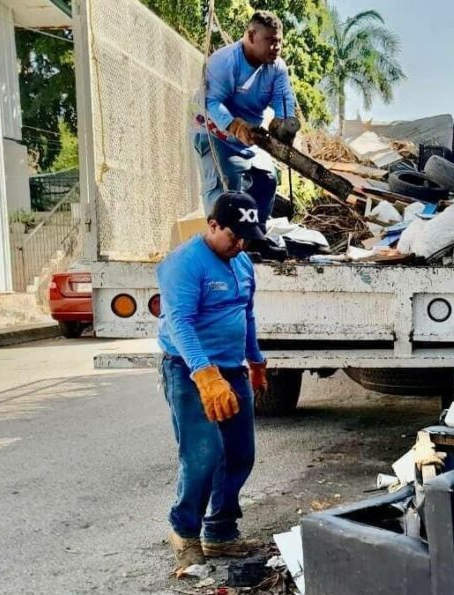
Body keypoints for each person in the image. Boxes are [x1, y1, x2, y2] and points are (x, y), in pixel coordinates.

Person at [156, 191, 269, 571]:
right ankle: (184, 530)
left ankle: (219, 531)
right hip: (190, 371)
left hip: (233, 370)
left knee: (240, 454)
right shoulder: (185, 264)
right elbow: (180, 323)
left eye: (245, 238)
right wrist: (204, 374)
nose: (239, 244)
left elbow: (247, 314)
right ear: (213, 225)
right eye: (232, 235)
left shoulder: (243, 263)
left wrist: (255, 361)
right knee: (203, 455)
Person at [191, 10, 297, 226]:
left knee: (267, 179)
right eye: (269, 41)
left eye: (279, 42)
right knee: (227, 186)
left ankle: (254, 236)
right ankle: (222, 241)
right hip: (214, 132)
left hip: (250, 139)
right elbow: (210, 101)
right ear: (250, 36)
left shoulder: (277, 69)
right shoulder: (224, 61)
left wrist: (284, 126)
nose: (276, 47)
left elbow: (283, 104)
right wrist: (236, 126)